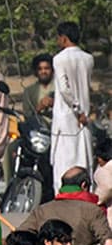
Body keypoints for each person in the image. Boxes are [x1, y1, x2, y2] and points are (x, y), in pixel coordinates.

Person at [49, 23, 96, 181]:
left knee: (64, 162)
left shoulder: (59, 59)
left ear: (63, 38)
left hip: (67, 118)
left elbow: (64, 89)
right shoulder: (88, 58)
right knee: (83, 159)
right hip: (83, 118)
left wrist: (78, 110)